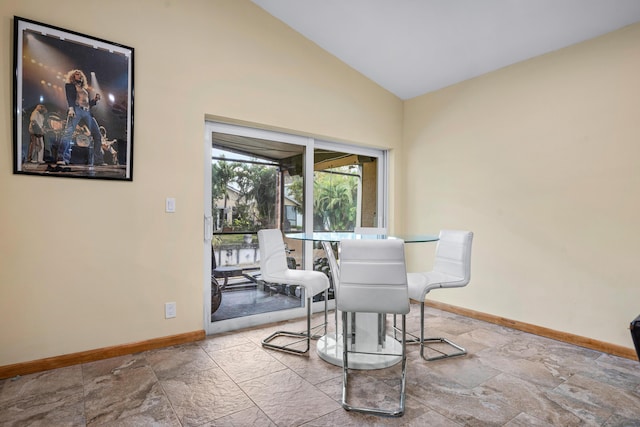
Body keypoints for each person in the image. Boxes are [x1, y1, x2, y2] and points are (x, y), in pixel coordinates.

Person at [56, 69, 105, 166]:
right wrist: (71, 109)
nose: (79, 76)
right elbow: (69, 97)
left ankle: (98, 160)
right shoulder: (70, 86)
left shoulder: (84, 90)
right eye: (77, 74)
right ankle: (62, 158)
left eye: (80, 75)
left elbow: (88, 104)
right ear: (73, 77)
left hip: (87, 112)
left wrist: (95, 100)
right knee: (68, 133)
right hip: (76, 110)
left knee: (97, 134)